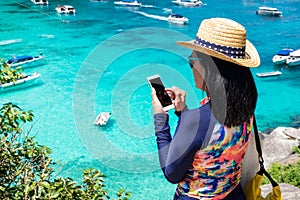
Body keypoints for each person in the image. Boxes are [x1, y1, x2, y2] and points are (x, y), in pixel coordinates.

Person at [151, 17, 260, 199]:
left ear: (208, 67)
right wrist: (183, 113)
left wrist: (160, 119)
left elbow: (172, 173)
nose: (191, 66)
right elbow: (211, 138)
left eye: (192, 60)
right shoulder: (247, 107)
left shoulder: (195, 120)